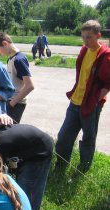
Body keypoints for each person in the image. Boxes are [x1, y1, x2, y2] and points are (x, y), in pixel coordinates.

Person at [55, 20, 110, 174]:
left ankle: (82, 170)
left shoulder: (105, 56)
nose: (86, 41)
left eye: (89, 37)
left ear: (98, 35)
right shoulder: (84, 50)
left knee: (88, 139)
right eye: (83, 37)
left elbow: (108, 83)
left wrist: (95, 100)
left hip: (91, 105)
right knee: (64, 136)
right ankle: (60, 166)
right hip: (75, 102)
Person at [0, 32, 35, 123]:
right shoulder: (11, 59)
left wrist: (11, 103)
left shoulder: (19, 60)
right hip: (10, 101)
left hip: (16, 103)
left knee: (10, 131)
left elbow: (30, 86)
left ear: (5, 44)